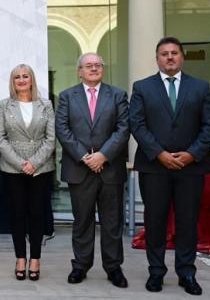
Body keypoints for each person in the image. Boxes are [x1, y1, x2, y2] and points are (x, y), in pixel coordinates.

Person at [129, 37, 210, 295]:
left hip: (191, 167)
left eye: (174, 53)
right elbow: (138, 124)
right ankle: (156, 272)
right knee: (155, 221)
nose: (169, 57)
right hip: (154, 167)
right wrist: (159, 153)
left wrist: (191, 154)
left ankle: (186, 273)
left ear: (182, 57)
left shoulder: (200, 87)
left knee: (188, 222)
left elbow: (209, 126)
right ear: (157, 58)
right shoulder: (142, 87)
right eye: (164, 54)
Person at [55, 53, 129, 288]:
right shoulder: (67, 96)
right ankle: (80, 265)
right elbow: (62, 128)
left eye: (98, 65)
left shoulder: (117, 95)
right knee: (82, 221)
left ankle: (113, 267)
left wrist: (103, 155)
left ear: (103, 69)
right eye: (89, 66)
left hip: (110, 169)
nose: (94, 68)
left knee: (112, 222)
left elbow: (123, 128)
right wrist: (85, 157)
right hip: (80, 168)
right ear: (80, 71)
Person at [0, 64, 55, 281]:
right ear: (12, 81)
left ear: (32, 80)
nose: (21, 80)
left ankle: (35, 259)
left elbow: (51, 139)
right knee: (17, 214)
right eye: (17, 77)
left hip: (41, 169)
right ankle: (20, 258)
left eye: (25, 76)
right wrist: (21, 163)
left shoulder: (45, 105)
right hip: (12, 169)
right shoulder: (3, 105)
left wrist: (34, 163)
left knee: (37, 214)